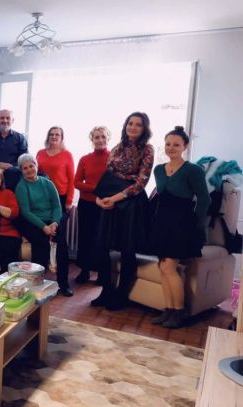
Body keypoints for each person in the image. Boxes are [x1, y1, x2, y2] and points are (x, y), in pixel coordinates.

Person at [92, 112, 155, 311]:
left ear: (144, 129)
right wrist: (99, 199)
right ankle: (106, 290)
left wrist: (115, 198)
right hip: (109, 202)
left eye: (138, 124)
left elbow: (141, 183)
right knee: (102, 247)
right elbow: (107, 176)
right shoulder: (118, 147)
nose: (133, 127)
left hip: (131, 204)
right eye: (130, 123)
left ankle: (121, 295)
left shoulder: (147, 149)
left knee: (128, 250)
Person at [149, 126, 210, 328]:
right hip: (161, 223)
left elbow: (204, 199)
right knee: (162, 267)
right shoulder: (158, 170)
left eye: (176, 144)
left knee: (169, 267)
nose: (171, 148)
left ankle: (179, 312)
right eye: (168, 144)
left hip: (182, 224)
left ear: (185, 146)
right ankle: (169, 310)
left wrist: (196, 223)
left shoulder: (193, 170)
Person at [15, 154, 73, 296]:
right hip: (33, 222)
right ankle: (37, 285)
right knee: (41, 246)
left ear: (36, 166)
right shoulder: (21, 187)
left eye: (31, 166)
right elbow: (26, 212)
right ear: (21, 171)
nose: (29, 170)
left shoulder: (48, 183)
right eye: (25, 168)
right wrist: (44, 227)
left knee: (62, 248)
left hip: (52, 221)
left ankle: (63, 284)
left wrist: (54, 223)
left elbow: (57, 206)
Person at [74, 126, 111, 284]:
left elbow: (115, 183)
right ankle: (85, 271)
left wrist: (98, 192)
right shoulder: (85, 159)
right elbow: (76, 182)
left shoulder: (114, 158)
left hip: (106, 204)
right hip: (87, 204)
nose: (100, 140)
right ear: (92, 139)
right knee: (85, 238)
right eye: (96, 137)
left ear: (108, 138)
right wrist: (95, 189)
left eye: (103, 136)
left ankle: (103, 274)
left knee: (103, 240)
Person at [36, 126, 75, 210]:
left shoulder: (67, 155)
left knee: (58, 218)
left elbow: (72, 180)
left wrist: (69, 201)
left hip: (60, 196)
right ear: (48, 137)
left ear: (62, 138)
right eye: (51, 134)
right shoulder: (40, 153)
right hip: (42, 194)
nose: (54, 136)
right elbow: (35, 173)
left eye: (57, 135)